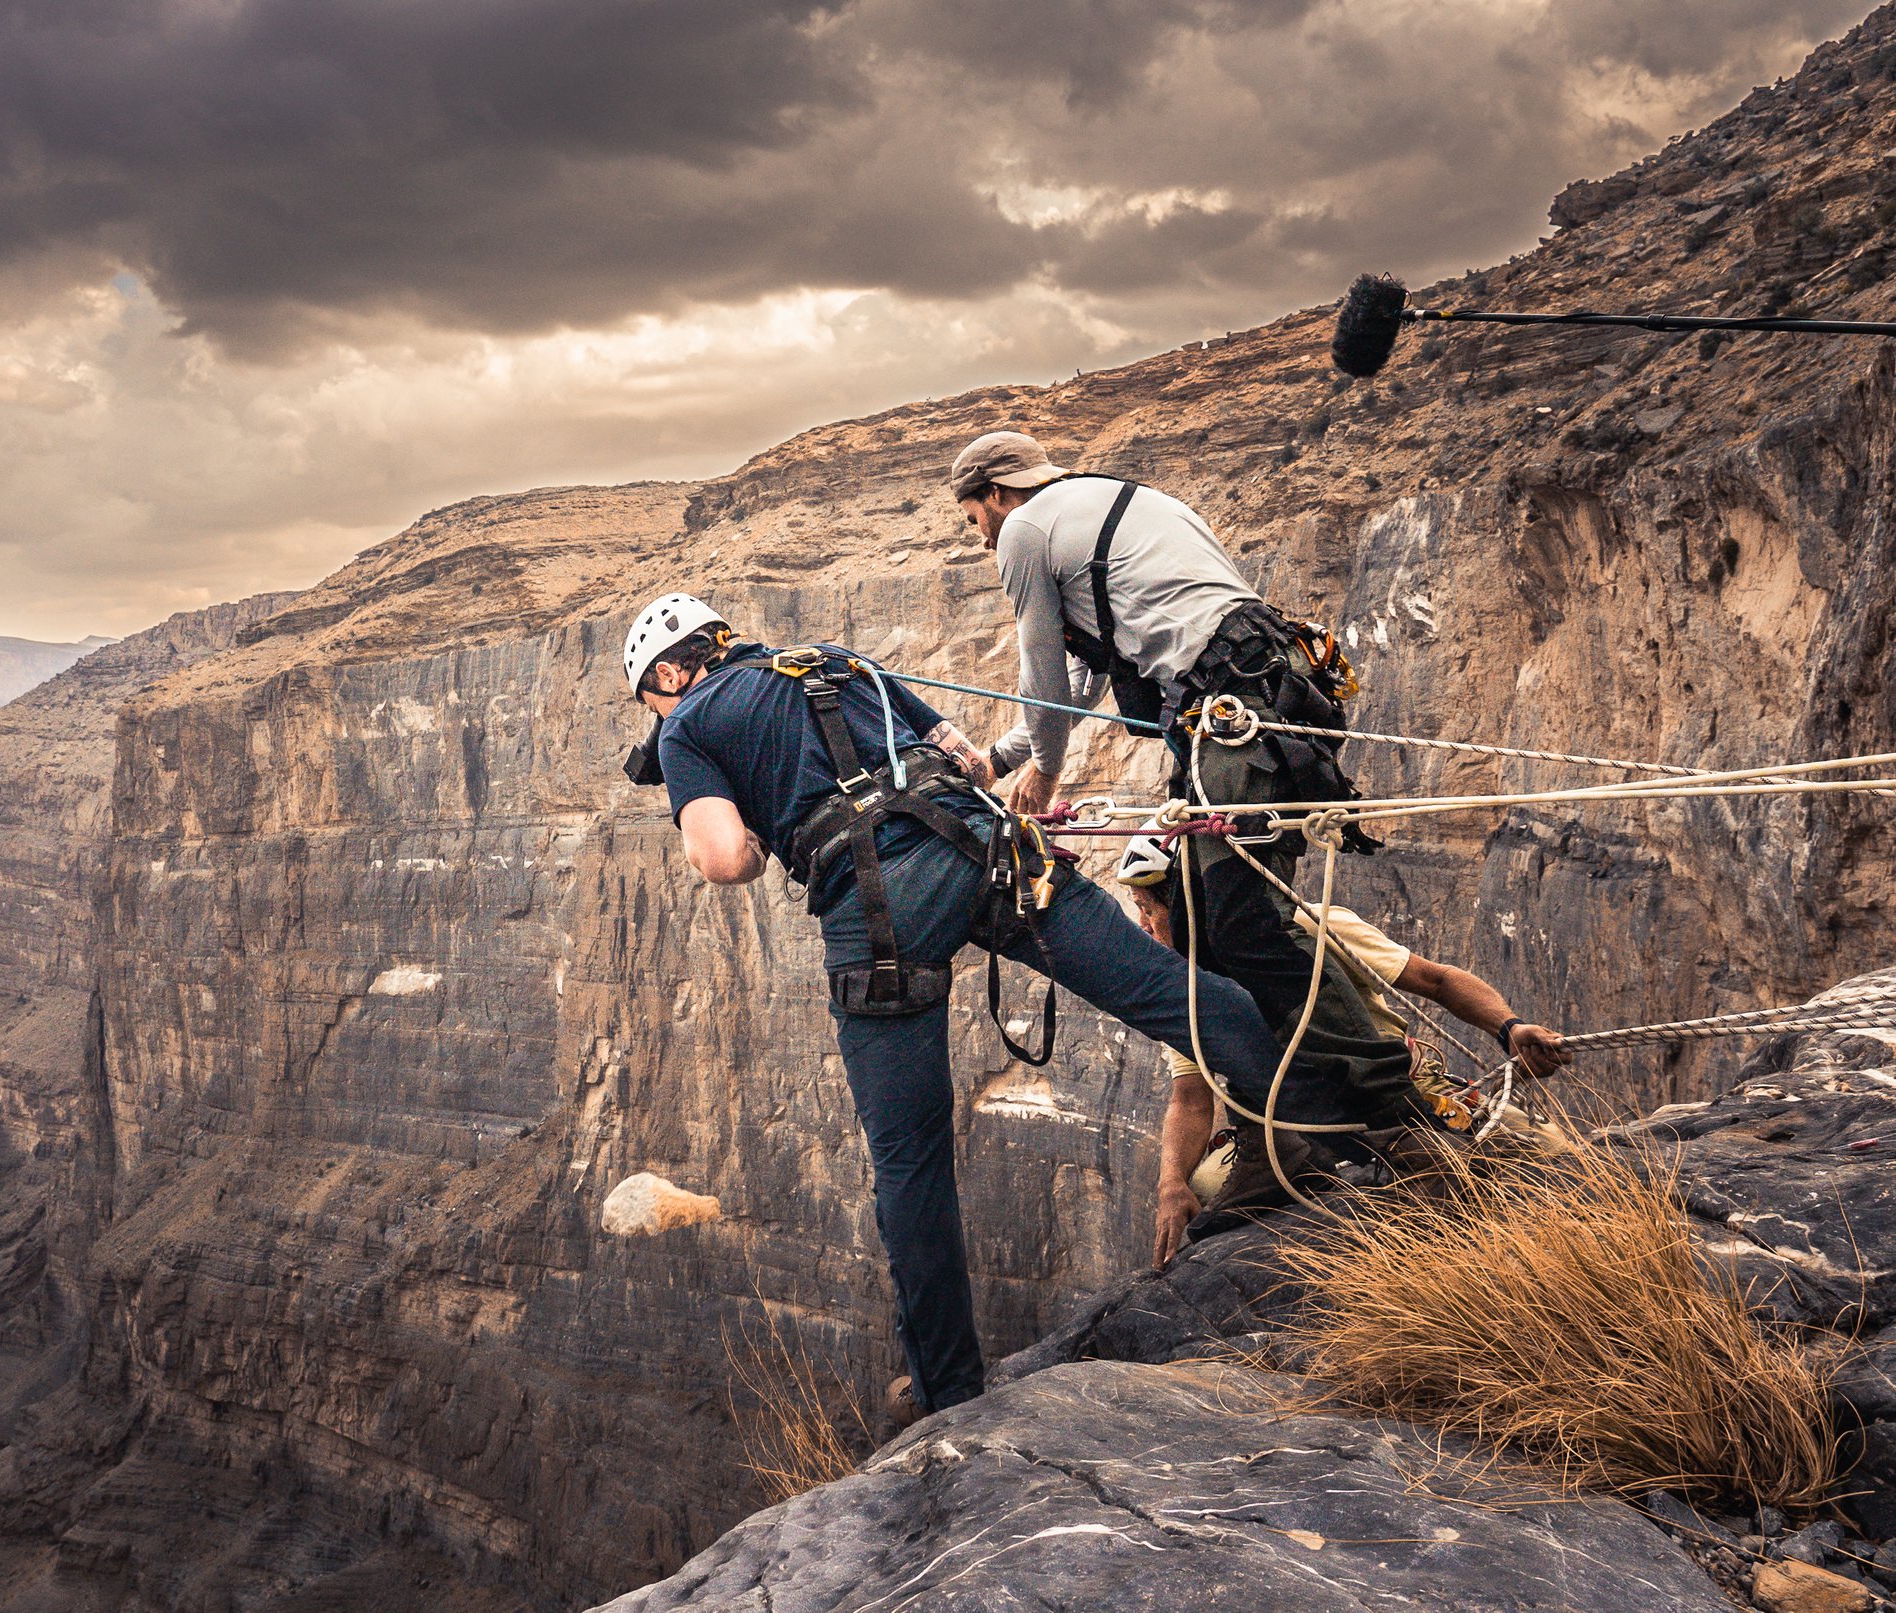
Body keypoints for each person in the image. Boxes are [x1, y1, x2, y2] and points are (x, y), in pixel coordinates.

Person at [620, 591, 1324, 1422]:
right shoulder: (834, 661)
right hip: (988, 850)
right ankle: (1314, 1139)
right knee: (1175, 995)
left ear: (671, 671)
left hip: (878, 912)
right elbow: (964, 758)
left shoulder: (688, 723)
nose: (657, 719)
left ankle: (945, 1388)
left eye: (652, 701)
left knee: (909, 1161)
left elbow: (721, 858)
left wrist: (769, 825)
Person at [949, 428, 1426, 1155]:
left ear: (996, 493)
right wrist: (1004, 756)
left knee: (1241, 920)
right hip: (1274, 691)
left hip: (1233, 703)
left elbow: (1041, 671)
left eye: (974, 517)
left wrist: (1043, 770)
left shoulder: (1025, 534)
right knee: (1205, 917)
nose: (981, 538)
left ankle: (1389, 1108)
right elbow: (1086, 680)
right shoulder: (1111, 504)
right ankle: (1300, 1116)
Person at [1113, 843, 1574, 1269]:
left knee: (1553, 1161)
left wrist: (1508, 1028)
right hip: (1289, 1126)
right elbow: (1190, 1098)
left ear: (1196, 904)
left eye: (1149, 909)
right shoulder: (1187, 988)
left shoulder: (1313, 925)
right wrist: (1171, 1183)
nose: (1143, 928)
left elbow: (1436, 981)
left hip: (1403, 1093)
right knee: (1202, 1185)